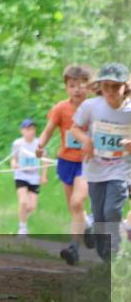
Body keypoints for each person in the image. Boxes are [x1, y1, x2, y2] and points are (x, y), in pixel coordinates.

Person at [69, 63, 130, 262]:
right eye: (106, 86)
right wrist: (86, 140)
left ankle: (113, 250)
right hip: (95, 168)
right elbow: (75, 128)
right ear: (99, 87)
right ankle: (104, 255)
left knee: (112, 210)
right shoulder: (91, 106)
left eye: (116, 86)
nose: (111, 91)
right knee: (99, 215)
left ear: (125, 86)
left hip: (120, 168)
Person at [36, 64, 96, 265]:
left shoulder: (95, 107)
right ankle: (87, 225)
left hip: (87, 163)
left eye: (81, 85)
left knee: (77, 202)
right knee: (74, 208)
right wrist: (40, 145)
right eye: (72, 85)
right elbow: (49, 130)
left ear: (89, 87)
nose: (77, 89)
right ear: (66, 88)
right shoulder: (61, 109)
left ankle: (74, 248)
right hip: (65, 161)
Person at [11, 119, 48, 236]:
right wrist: (14, 164)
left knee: (32, 206)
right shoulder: (18, 144)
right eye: (28, 129)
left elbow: (45, 160)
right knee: (23, 202)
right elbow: (13, 158)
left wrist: (44, 176)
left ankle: (22, 219)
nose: (31, 132)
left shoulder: (38, 144)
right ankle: (22, 229)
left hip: (34, 177)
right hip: (21, 175)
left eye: (32, 129)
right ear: (22, 131)